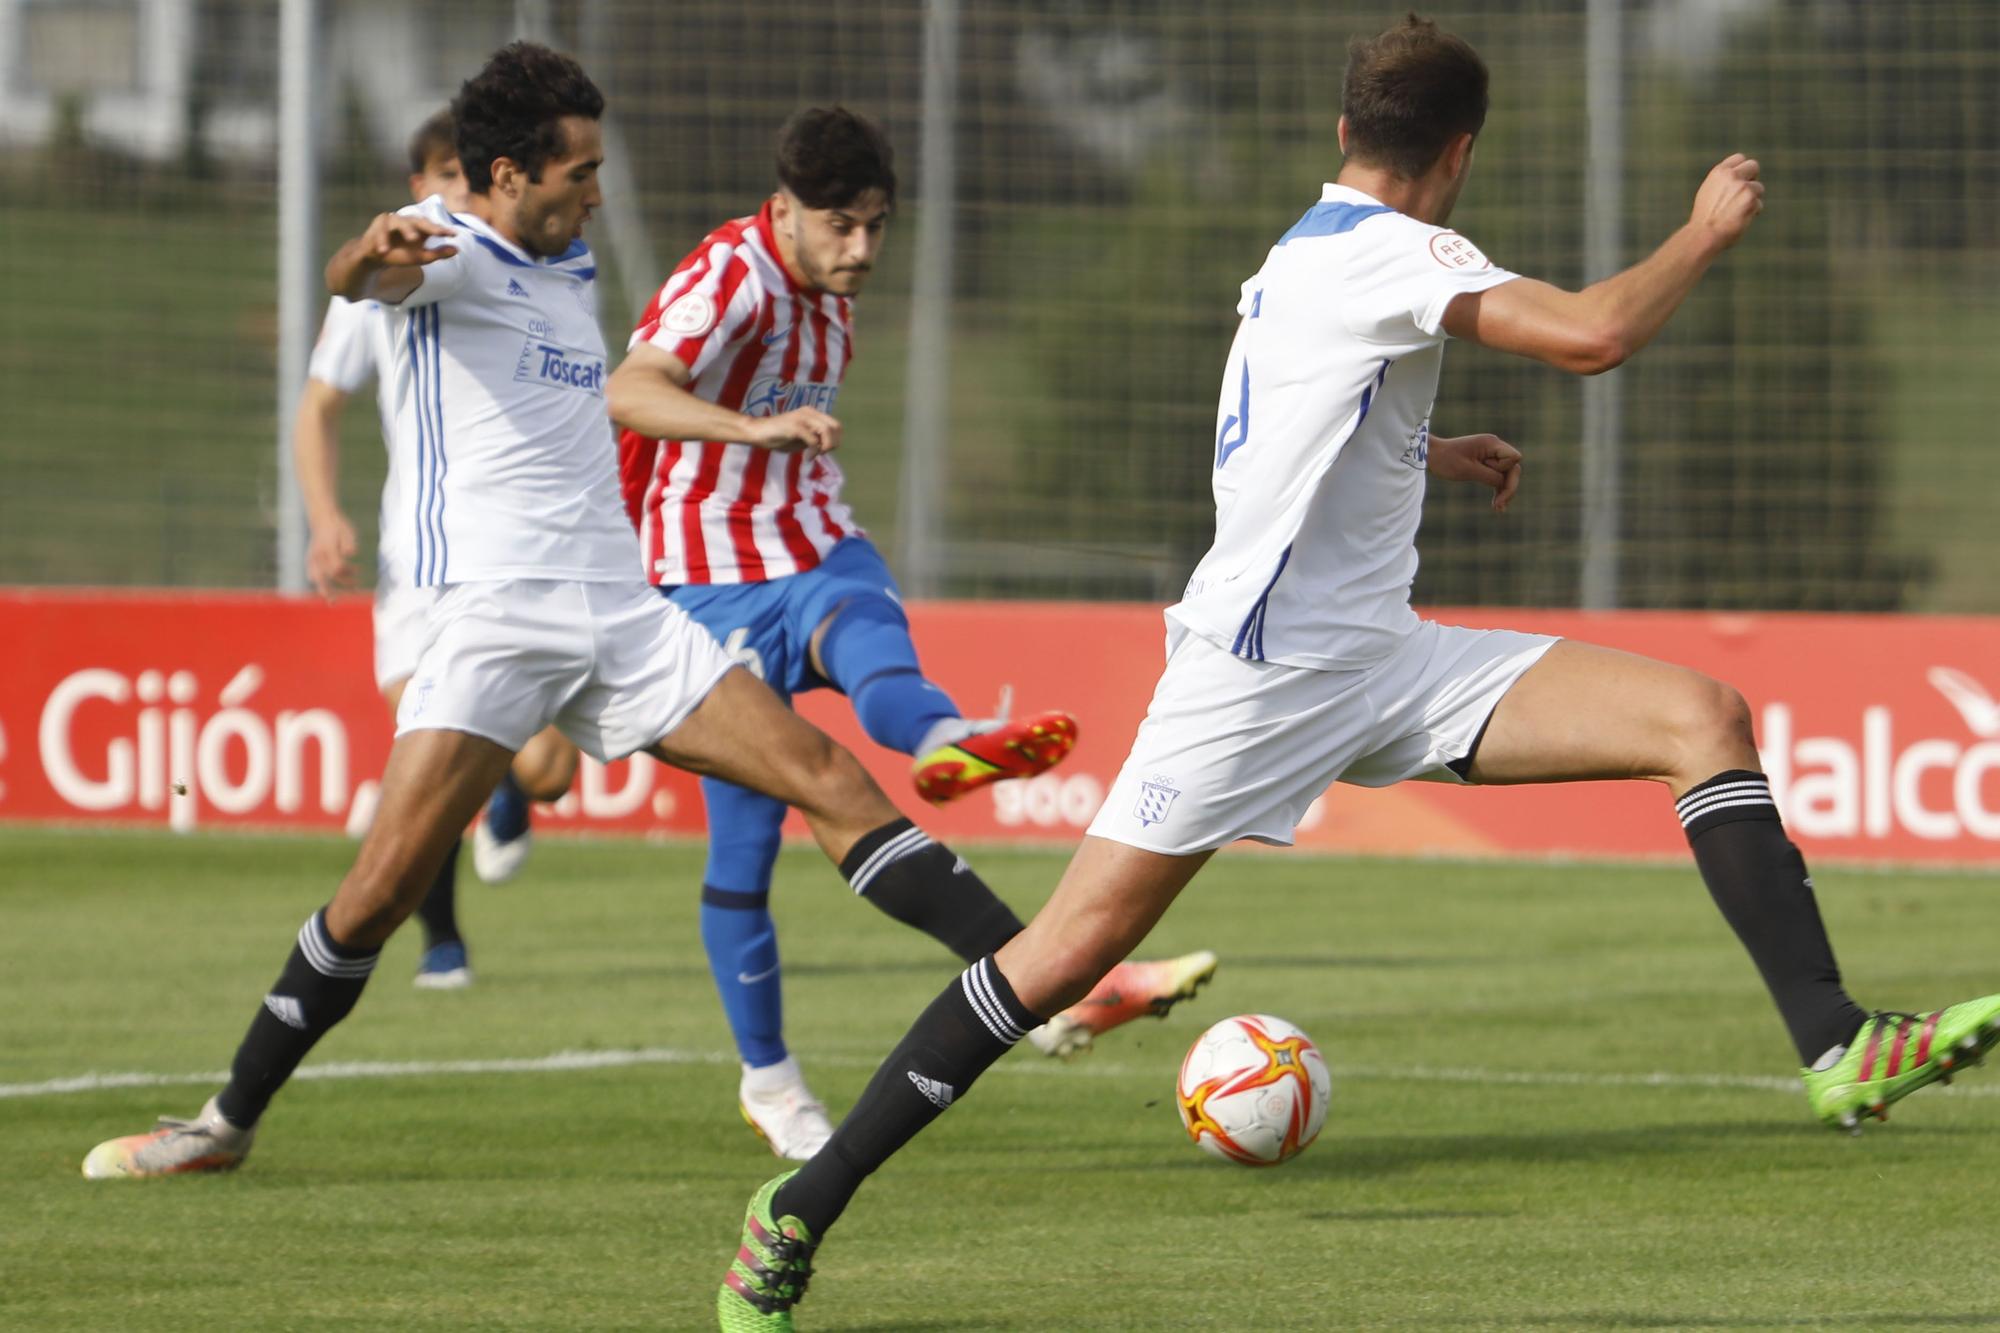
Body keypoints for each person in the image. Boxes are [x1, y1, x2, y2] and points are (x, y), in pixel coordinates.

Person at [716, 16, 2000, 1326]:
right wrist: (1707, 229)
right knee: (1059, 956)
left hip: (1383, 656)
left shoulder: (1303, 251)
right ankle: (797, 1212)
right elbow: (1595, 335)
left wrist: (1427, 450)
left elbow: (1289, 429)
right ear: (1458, 151)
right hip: (1255, 682)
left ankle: (1837, 1042)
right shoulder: (1396, 250)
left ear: (1344, 133)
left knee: (1700, 716)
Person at [76, 41, 1047, 1183]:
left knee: (829, 780)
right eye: (577, 171)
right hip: (494, 622)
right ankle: (223, 1123)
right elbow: (361, 281)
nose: (595, 190)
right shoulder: (444, 247)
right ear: (503, 174)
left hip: (624, 613)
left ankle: (1050, 973)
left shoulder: (568, 267)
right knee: (378, 892)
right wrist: (365, 252)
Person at [607, 106, 1217, 1160]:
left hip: (818, 543)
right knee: (749, 840)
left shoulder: (831, 291)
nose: (862, 249)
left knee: (877, 653)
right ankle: (770, 1080)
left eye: (876, 227)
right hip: (706, 581)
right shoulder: (731, 277)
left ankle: (946, 747)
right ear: (785, 208)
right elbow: (630, 390)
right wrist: (751, 428)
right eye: (841, 226)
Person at [294, 108, 580, 990]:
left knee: (551, 769)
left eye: (475, 176)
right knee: (423, 756)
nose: (462, 193)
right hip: (417, 569)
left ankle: (505, 791)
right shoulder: (397, 273)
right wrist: (323, 515)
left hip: (513, 562)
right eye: (447, 176)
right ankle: (442, 941)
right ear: (421, 186)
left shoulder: (537, 267)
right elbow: (319, 404)